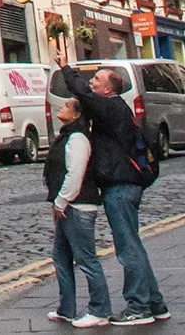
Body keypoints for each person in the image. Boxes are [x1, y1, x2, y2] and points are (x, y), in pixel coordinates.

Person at [57, 56, 169, 326]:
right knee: (134, 246)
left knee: (128, 249)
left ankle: (138, 307)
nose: (91, 82)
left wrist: (66, 69)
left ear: (108, 89)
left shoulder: (111, 107)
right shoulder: (113, 109)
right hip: (123, 185)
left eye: (97, 79)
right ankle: (155, 304)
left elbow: (81, 92)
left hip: (120, 186)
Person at [44, 97, 111, 328]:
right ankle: (67, 308)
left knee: (86, 260)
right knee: (61, 258)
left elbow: (75, 175)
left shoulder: (78, 138)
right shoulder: (68, 136)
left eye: (66, 106)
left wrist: (61, 201)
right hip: (68, 206)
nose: (60, 108)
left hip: (78, 207)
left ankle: (100, 310)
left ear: (76, 115)